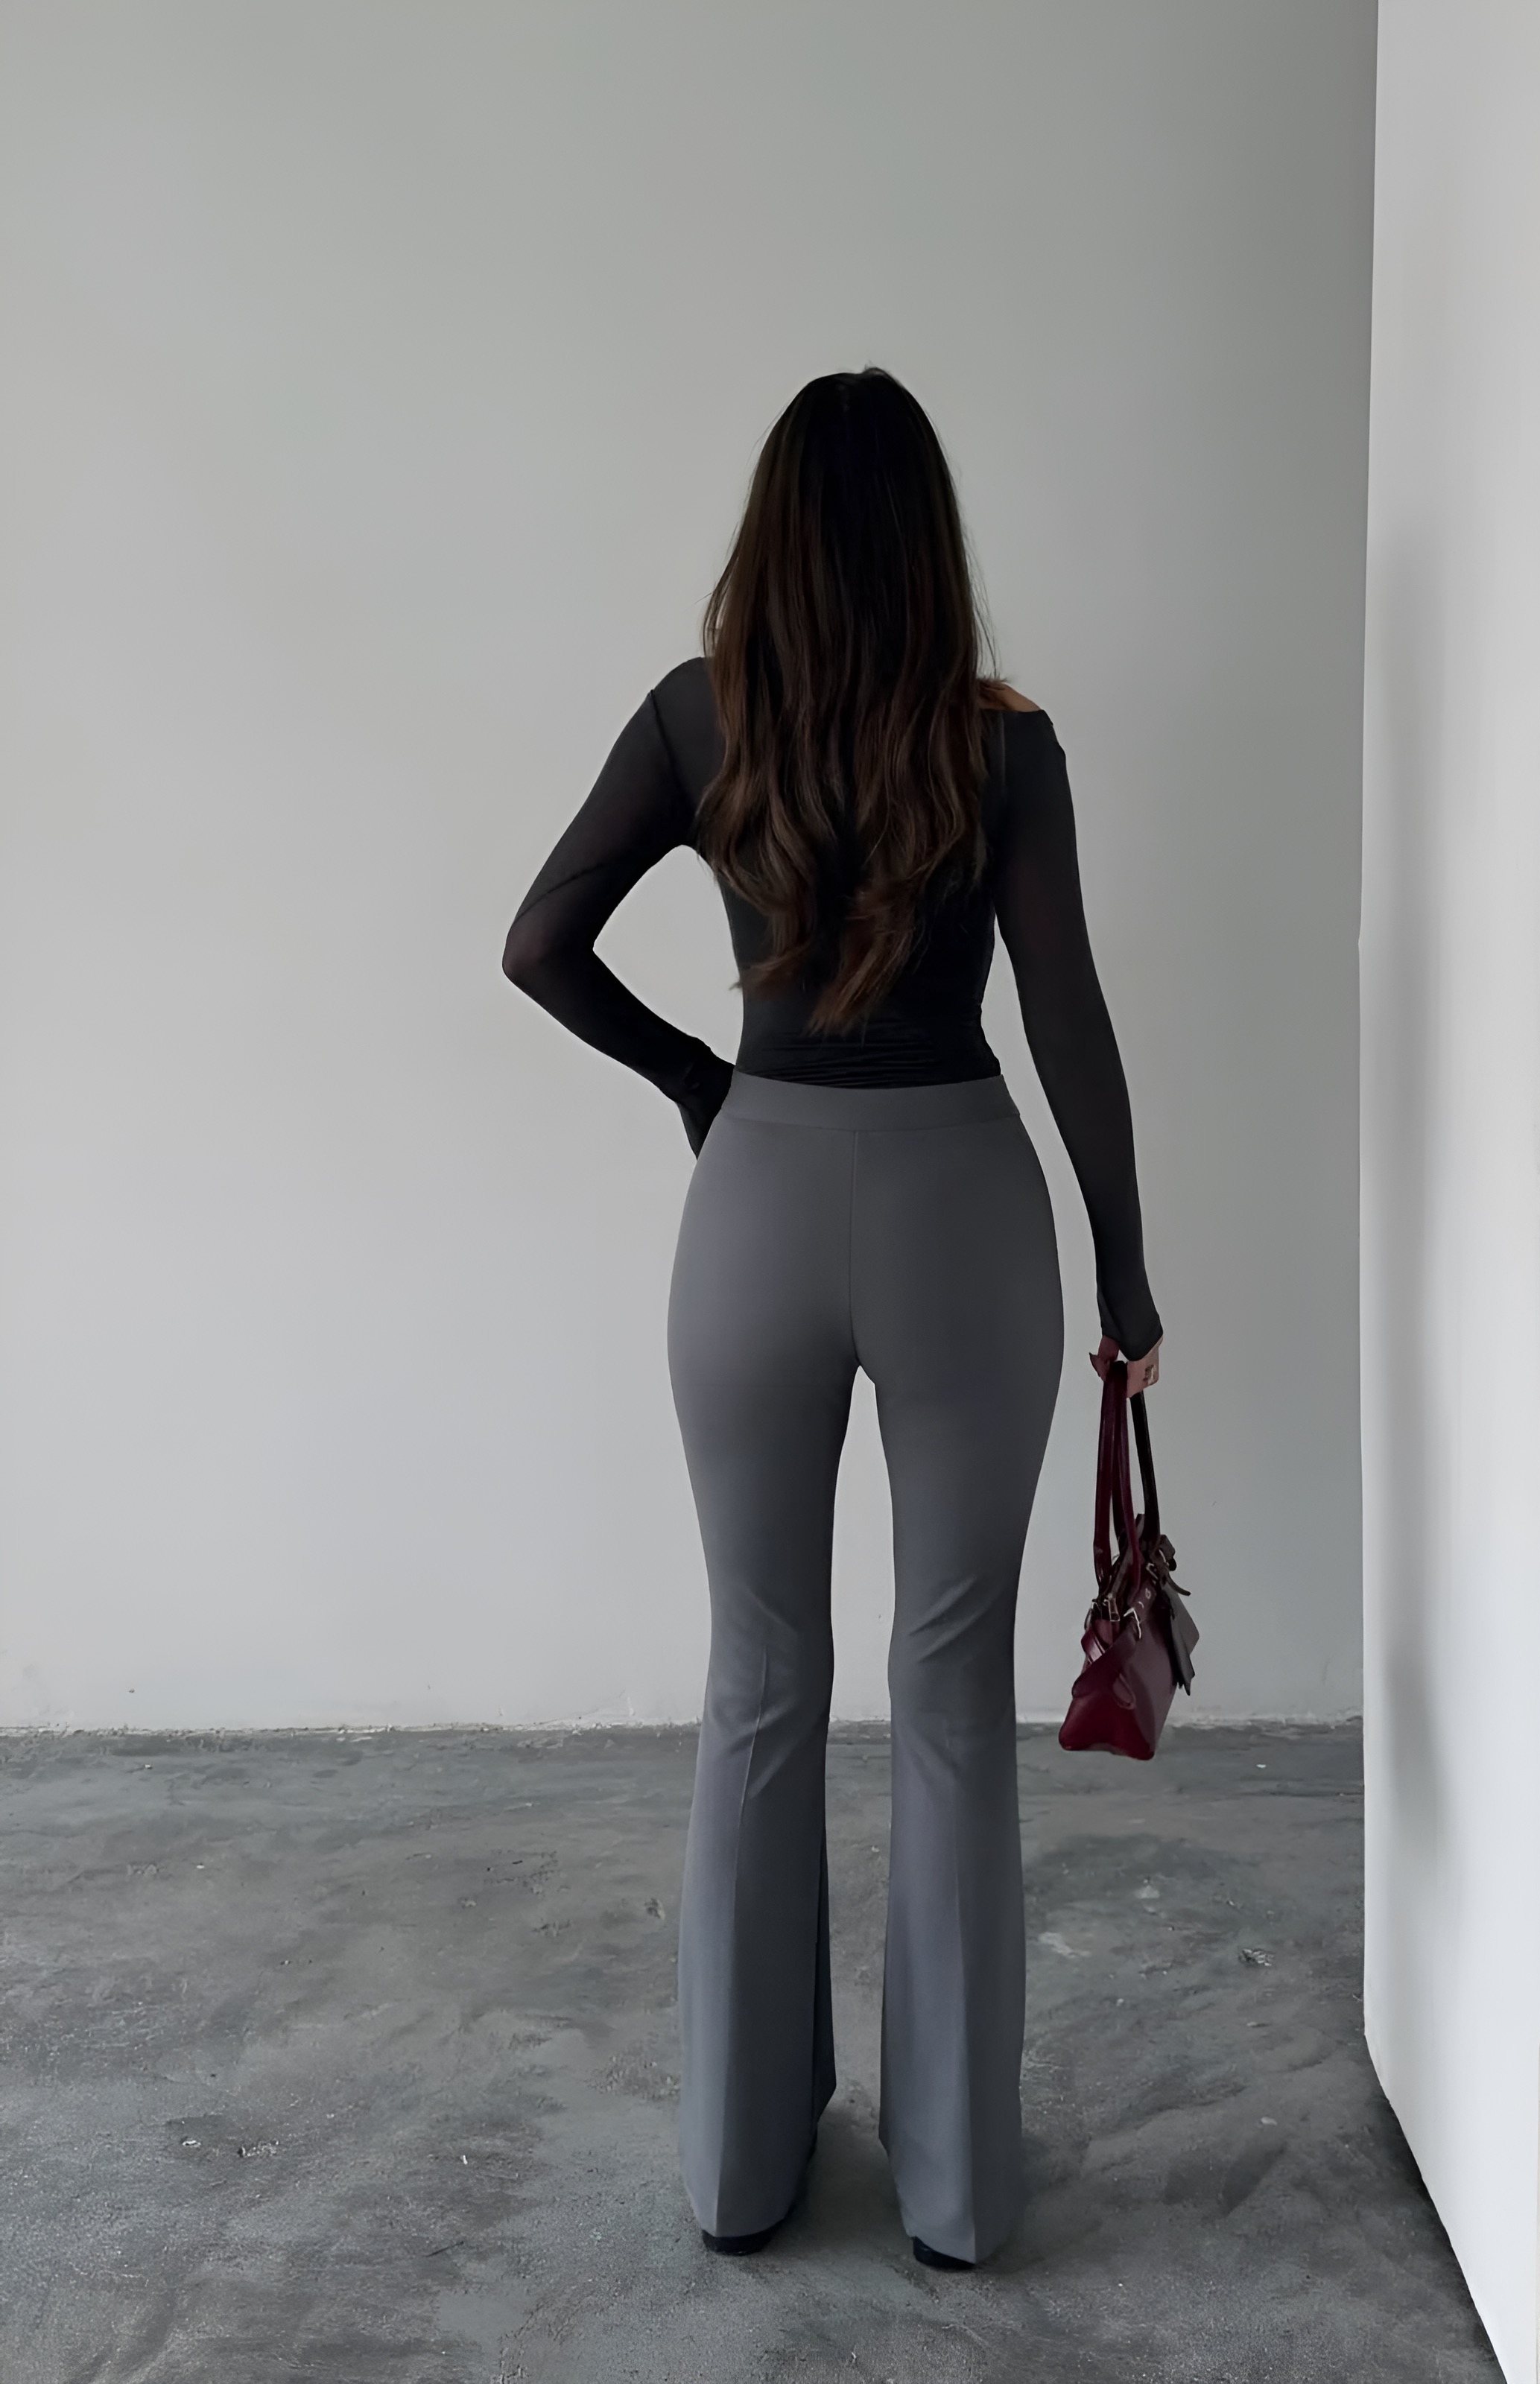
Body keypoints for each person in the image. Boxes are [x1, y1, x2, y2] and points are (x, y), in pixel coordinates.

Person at [502, 367, 1162, 2270]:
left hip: (760, 1209)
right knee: (949, 1694)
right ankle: (955, 2192)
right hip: (964, 1210)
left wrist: (704, 1084)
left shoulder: (696, 716)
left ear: (772, 534)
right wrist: (1128, 1276)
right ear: (928, 541)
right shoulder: (1003, 744)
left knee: (759, 1679)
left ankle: (738, 2168)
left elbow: (541, 943)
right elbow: (1068, 1018)